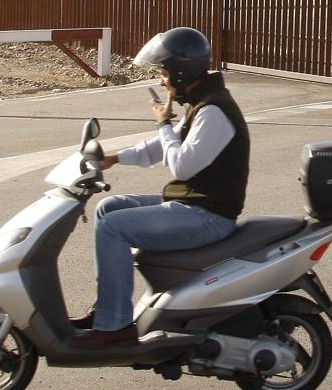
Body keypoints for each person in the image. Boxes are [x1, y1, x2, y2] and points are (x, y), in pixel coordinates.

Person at [71, 27, 250, 348]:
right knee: (108, 208)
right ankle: (107, 309)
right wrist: (113, 158)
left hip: (209, 216)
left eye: (163, 72)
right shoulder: (201, 103)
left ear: (182, 73)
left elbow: (181, 163)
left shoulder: (213, 111)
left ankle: (115, 328)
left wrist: (163, 123)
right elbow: (159, 147)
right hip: (194, 205)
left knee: (113, 228)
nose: (160, 80)